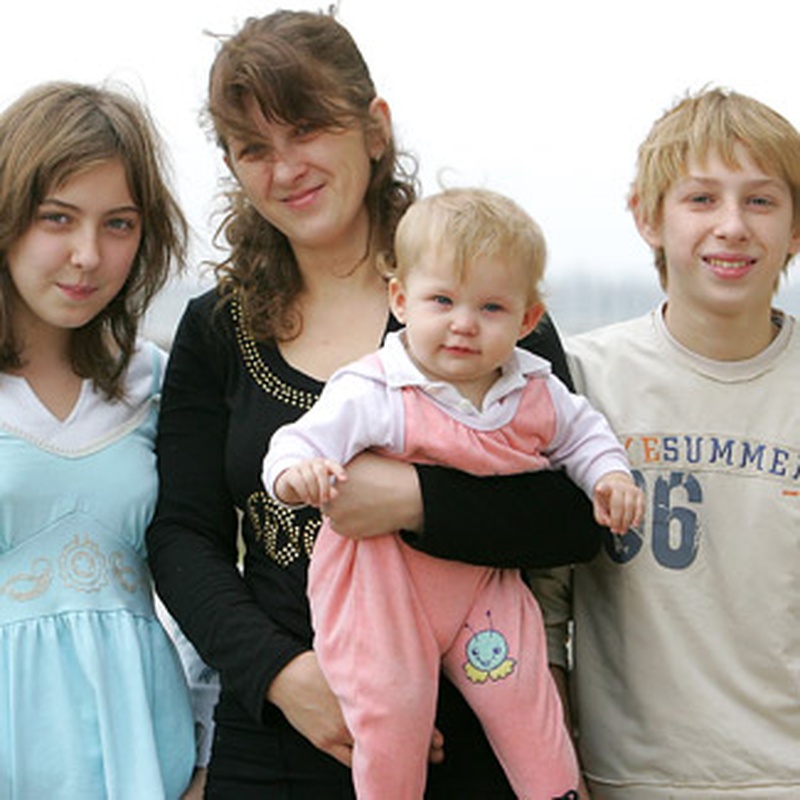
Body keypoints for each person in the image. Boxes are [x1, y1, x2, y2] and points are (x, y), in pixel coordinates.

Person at [146, 10, 606, 799]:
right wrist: (283, 676)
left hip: (470, 731)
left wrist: (414, 499)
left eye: (307, 129)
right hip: (278, 742)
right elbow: (182, 536)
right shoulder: (218, 328)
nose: (286, 167)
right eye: (254, 148)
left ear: (374, 129)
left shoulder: (475, 304)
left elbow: (572, 516)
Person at [262, 187, 644, 799]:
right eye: (441, 301)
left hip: (483, 589)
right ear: (401, 300)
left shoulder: (533, 390)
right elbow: (297, 442)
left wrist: (610, 477)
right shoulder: (376, 388)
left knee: (526, 703)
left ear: (526, 320)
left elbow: (584, 436)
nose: (464, 324)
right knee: (392, 717)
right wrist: (297, 475)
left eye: (491, 307)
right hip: (384, 591)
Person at [529, 87, 800, 799]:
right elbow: (544, 608)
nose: (732, 226)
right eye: (701, 199)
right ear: (647, 216)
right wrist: (555, 768)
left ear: (796, 226)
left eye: (762, 200)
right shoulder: (581, 381)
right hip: (623, 779)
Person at [0, 81, 198, 799]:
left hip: (149, 751)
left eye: (118, 224)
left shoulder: (158, 381)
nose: (87, 255)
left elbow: (200, 569)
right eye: (58, 218)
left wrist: (205, 755)